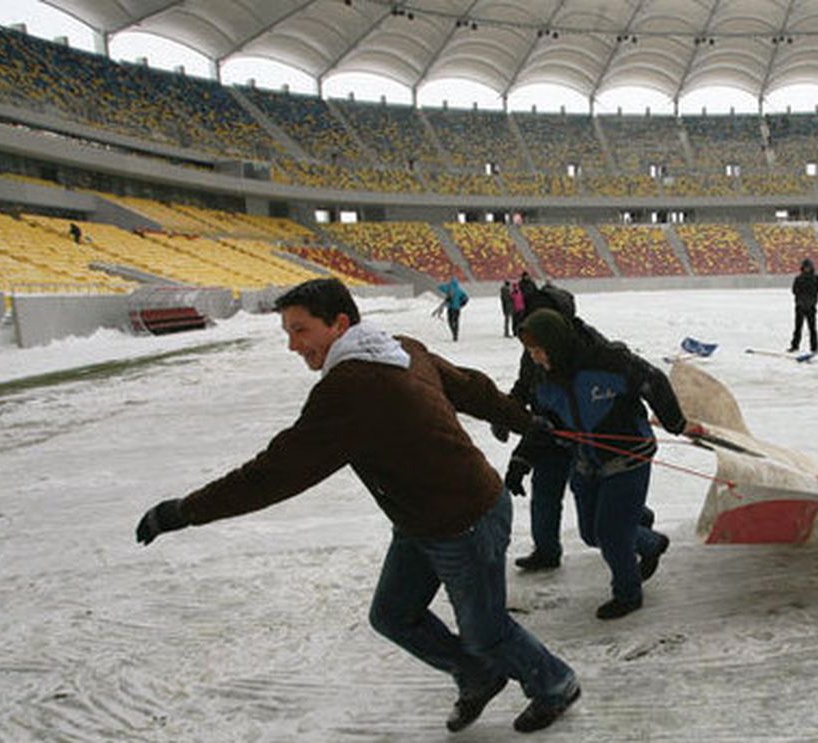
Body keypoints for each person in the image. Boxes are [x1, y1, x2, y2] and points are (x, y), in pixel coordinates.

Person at [134, 278, 580, 734]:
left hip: (464, 518)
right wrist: (524, 421)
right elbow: (471, 388)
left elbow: (274, 474)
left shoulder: (352, 387)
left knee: (485, 632)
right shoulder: (396, 347)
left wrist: (183, 511)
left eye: (300, 330)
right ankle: (477, 673)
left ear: (340, 324)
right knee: (392, 615)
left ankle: (555, 683)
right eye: (288, 332)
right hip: (421, 519)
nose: (293, 345)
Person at [508, 308, 688, 620]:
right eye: (529, 351)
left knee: (612, 535)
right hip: (586, 461)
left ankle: (628, 593)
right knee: (592, 534)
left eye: (538, 350)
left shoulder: (607, 361)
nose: (534, 358)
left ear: (555, 344)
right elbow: (545, 424)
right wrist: (520, 461)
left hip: (628, 458)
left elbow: (652, 381)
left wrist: (674, 421)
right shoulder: (545, 380)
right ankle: (649, 539)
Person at [788, 257, 818, 353]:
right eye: (806, 267)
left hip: (811, 306)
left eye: (809, 267)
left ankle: (814, 347)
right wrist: (800, 300)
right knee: (798, 328)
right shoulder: (798, 278)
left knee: (812, 328)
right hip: (800, 306)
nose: (807, 269)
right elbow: (794, 290)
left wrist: (811, 300)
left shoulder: (816, 278)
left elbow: (817, 290)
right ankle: (795, 346)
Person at [436, 275, 469, 341]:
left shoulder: (448, 288)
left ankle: (453, 332)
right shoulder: (459, 290)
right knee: (456, 321)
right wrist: (461, 304)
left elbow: (439, 287)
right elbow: (466, 297)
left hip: (450, 308)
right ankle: (456, 334)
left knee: (450, 321)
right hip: (457, 308)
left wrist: (446, 284)